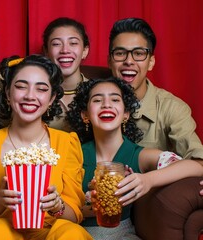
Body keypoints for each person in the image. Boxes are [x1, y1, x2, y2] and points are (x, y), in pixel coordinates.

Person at [0, 55, 93, 240]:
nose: (30, 96)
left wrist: (58, 206)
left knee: (72, 233)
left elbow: (74, 216)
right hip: (3, 230)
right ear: (8, 94)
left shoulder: (67, 143)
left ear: (51, 99)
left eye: (41, 89)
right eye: (21, 86)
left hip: (52, 231)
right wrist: (0, 201)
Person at [66, 77, 203, 240]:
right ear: (85, 115)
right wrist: (91, 206)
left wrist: (147, 180)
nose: (106, 104)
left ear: (126, 114)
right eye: (97, 100)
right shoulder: (74, 151)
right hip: (75, 234)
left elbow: (196, 166)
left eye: (115, 99)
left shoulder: (139, 155)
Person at [107, 17, 203, 239]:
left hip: (148, 208)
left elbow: (198, 160)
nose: (128, 61)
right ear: (110, 60)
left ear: (150, 62)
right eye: (120, 53)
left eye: (139, 53)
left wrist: (148, 180)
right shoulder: (92, 99)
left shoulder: (171, 107)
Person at [42, 17, 90, 131]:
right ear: (46, 52)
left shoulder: (97, 92)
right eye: (56, 44)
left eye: (73, 43)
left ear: (85, 51)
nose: (65, 50)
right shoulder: (36, 94)